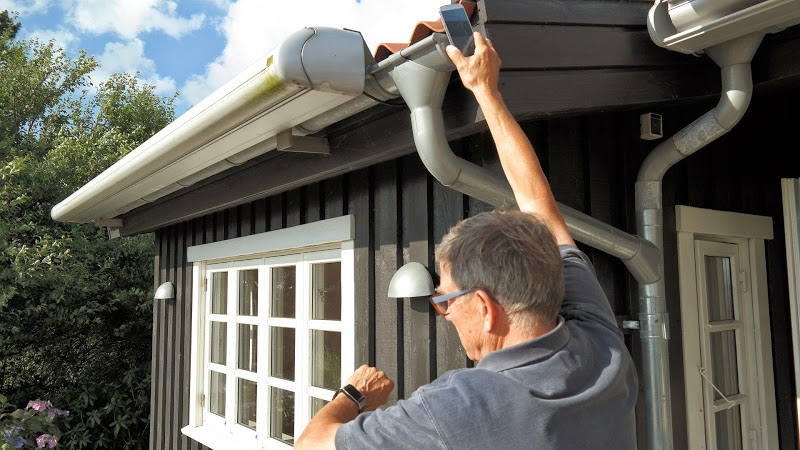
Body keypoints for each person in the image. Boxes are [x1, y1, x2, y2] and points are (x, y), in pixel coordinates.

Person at [296, 32, 638, 449]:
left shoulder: (454, 410)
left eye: (445, 300)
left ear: (485, 307)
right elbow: (537, 206)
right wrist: (485, 92)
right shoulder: (601, 347)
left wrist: (352, 394)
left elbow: (311, 445)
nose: (445, 314)